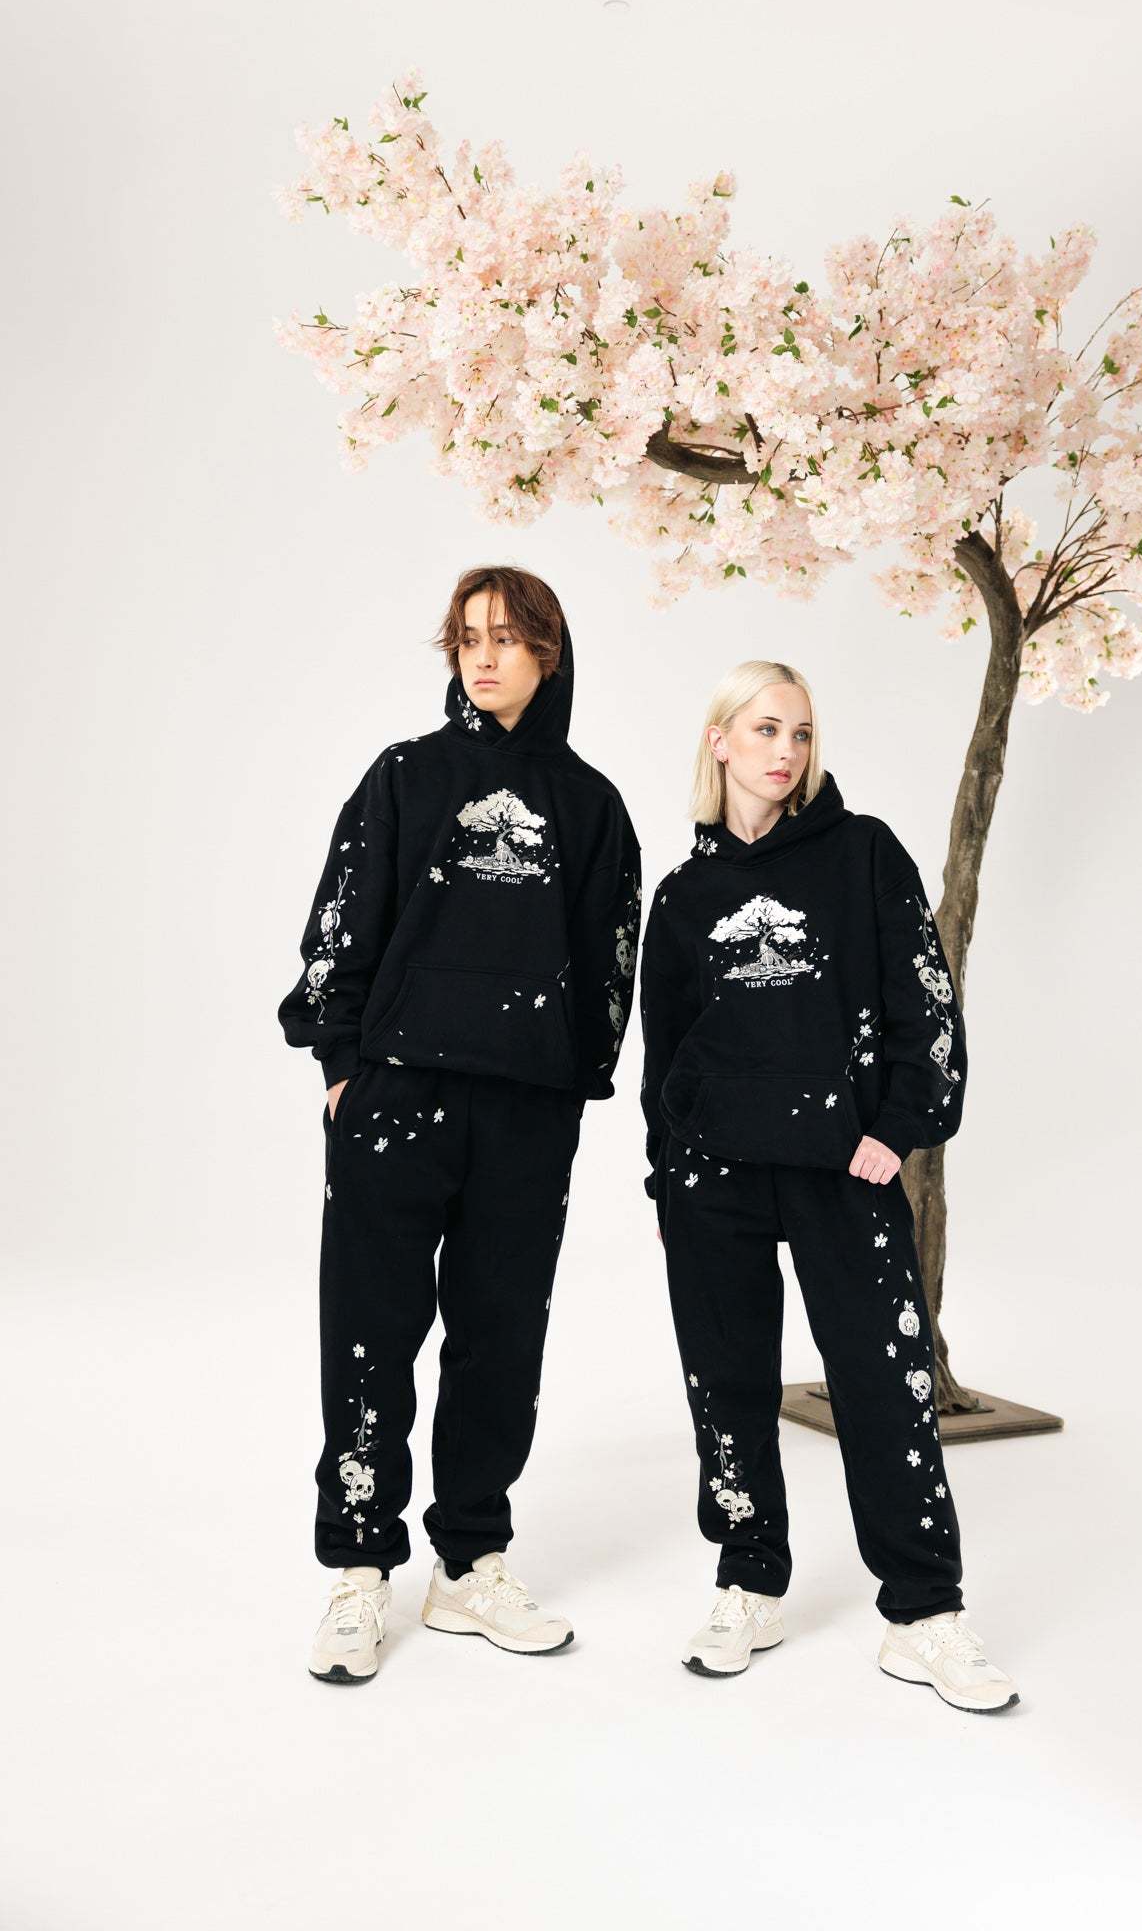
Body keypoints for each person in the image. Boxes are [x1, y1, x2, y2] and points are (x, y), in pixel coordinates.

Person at [279, 565, 642, 1683]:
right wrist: (342, 1065)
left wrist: (570, 1084)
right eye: (468, 638)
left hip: (525, 1111)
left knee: (501, 1337)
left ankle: (470, 1561)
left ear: (547, 653)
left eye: (506, 638)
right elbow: (343, 917)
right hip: (395, 1099)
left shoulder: (590, 804)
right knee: (369, 1330)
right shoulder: (405, 776)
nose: (483, 657)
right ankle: (358, 1568)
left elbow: (610, 958)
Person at [638, 660, 1019, 1712]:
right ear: (719, 739)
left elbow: (925, 1003)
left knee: (883, 1383)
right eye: (765, 729)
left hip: (841, 1168)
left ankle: (923, 1611)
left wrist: (896, 1128)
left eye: (800, 733)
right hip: (711, 1175)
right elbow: (663, 1051)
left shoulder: (863, 854)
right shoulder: (683, 896)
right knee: (725, 1383)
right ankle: (748, 1579)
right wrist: (666, 1175)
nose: (786, 751)